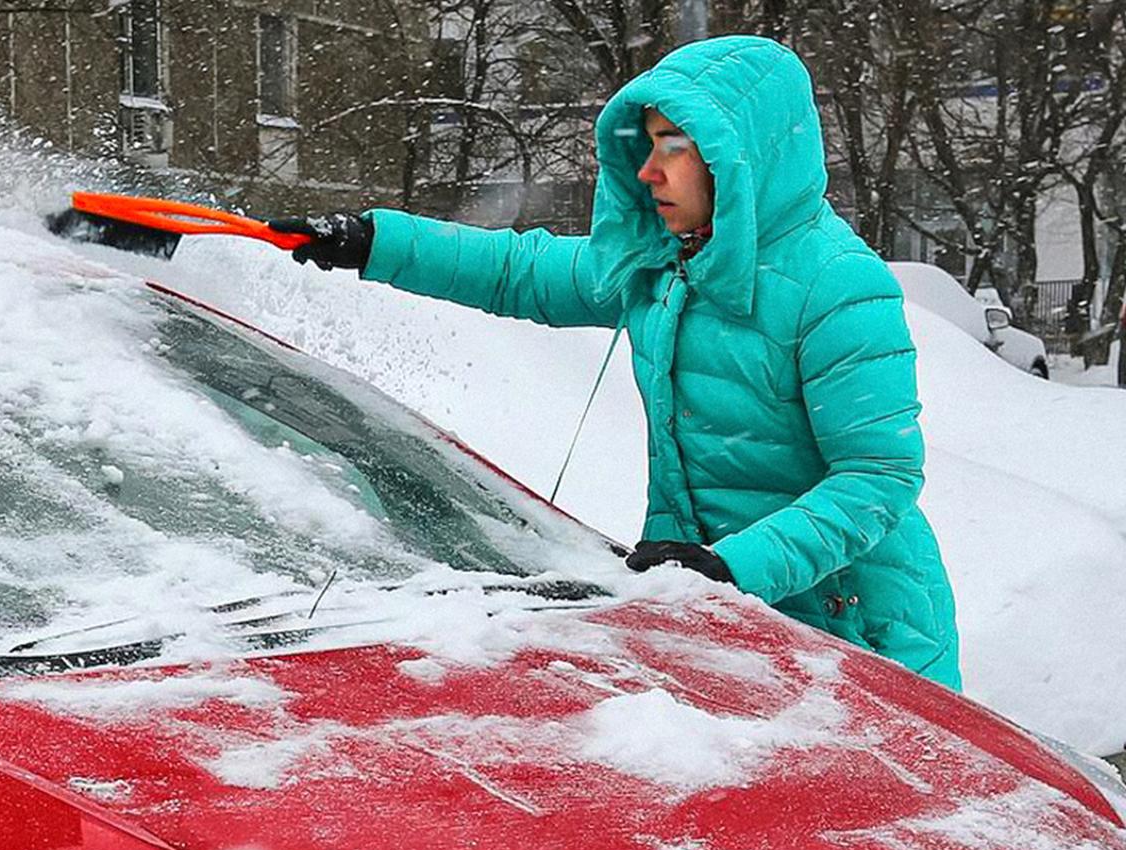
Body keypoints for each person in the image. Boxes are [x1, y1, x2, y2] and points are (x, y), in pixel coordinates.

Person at [271, 35, 962, 690]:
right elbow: (518, 270)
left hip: (860, 626)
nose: (649, 171)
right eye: (648, 145)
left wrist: (735, 566)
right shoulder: (661, 265)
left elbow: (880, 477)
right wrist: (373, 242)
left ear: (737, 159)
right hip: (721, 610)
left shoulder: (836, 285)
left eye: (676, 147)